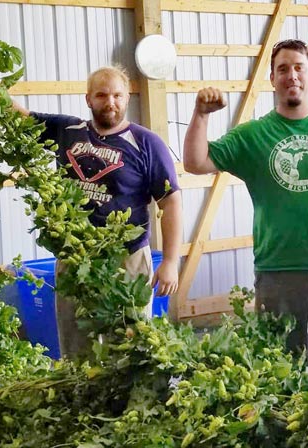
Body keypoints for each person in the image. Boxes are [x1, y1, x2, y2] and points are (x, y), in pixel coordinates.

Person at [183, 39, 308, 387]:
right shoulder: (253, 135)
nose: (292, 75)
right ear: (273, 79)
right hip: (278, 268)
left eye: (298, 67)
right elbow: (196, 162)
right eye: (283, 69)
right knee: (279, 370)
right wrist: (200, 115)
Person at [11, 66, 183, 357]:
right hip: (75, 257)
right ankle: (82, 396)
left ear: (127, 97)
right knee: (76, 344)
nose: (110, 102)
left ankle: (128, 400)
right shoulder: (67, 131)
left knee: (132, 342)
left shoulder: (146, 143)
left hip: (126, 259)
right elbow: (21, 118)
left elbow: (171, 201)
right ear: (88, 99)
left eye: (117, 95)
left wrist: (170, 261)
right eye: (102, 95)